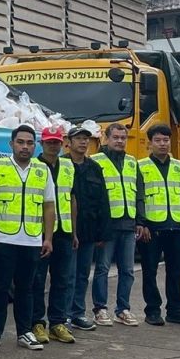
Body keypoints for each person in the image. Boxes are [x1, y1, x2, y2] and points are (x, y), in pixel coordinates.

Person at [0, 125, 55, 349]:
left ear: (35, 146)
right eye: (20, 142)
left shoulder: (42, 170)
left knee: (27, 288)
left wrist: (48, 238)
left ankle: (24, 332)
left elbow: (49, 206)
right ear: (11, 144)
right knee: (0, 287)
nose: (25, 147)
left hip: (31, 239)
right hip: (3, 238)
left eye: (30, 143)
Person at [136, 125, 180, 327]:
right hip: (152, 229)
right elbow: (139, 197)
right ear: (150, 143)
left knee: (175, 271)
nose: (162, 144)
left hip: (176, 227)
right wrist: (141, 223)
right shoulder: (141, 166)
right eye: (158, 140)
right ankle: (153, 311)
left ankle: (175, 311)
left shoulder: (179, 166)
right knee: (150, 271)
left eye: (166, 140)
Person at [94, 122, 141, 326]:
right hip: (108, 226)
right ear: (106, 138)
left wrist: (139, 221)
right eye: (116, 137)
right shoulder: (96, 161)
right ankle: (100, 309)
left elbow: (139, 194)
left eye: (123, 138)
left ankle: (123, 310)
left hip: (128, 224)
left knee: (127, 270)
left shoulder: (132, 162)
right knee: (102, 268)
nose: (120, 141)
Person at [65, 120, 109, 330]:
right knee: (67, 275)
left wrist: (102, 232)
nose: (83, 142)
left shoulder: (94, 168)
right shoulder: (62, 165)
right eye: (79, 139)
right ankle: (62, 315)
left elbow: (103, 200)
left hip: (89, 230)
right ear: (69, 142)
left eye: (86, 139)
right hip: (66, 230)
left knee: (83, 275)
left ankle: (77, 313)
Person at [40, 136, 80, 345]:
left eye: (56, 142)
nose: (52, 146)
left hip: (64, 230)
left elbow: (72, 199)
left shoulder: (68, 166)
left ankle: (57, 322)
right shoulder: (35, 165)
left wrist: (74, 232)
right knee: (37, 280)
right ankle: (37, 323)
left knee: (62, 280)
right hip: (40, 232)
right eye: (49, 142)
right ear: (42, 144)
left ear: (61, 144)